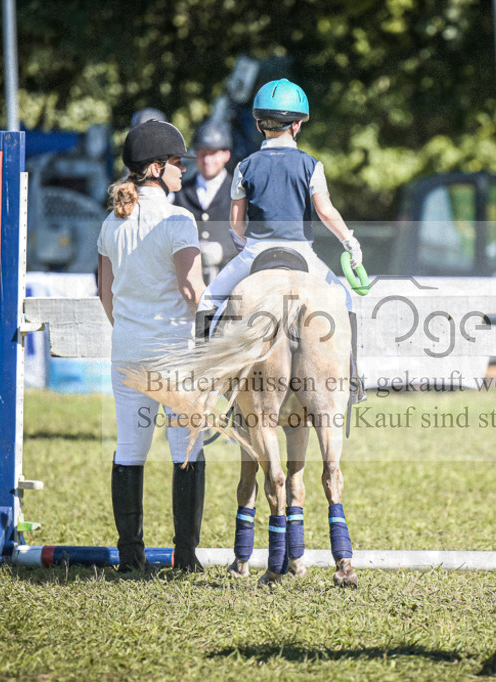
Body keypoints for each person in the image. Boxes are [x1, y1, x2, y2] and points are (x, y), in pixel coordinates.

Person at [196, 78, 365, 401]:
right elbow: (326, 211)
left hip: (256, 252)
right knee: (344, 300)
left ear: (259, 125)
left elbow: (236, 223)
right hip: (303, 255)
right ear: (297, 125)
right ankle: (352, 380)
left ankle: (203, 383)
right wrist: (350, 242)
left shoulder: (244, 167)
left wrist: (245, 249)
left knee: (208, 301)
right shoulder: (311, 166)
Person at [97, 119, 208, 572]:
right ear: (157, 167)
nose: (184, 170)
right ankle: (184, 558)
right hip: (173, 354)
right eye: (178, 163)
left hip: (127, 350)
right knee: (186, 449)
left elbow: (106, 295)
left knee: (129, 451)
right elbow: (192, 291)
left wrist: (129, 329)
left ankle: (130, 557)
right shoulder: (179, 220)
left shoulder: (111, 222)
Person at [173, 121, 240, 281]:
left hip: (229, 279)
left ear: (226, 154)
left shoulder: (238, 190)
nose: (207, 159)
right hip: (189, 280)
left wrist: (223, 250)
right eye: (202, 153)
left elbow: (248, 234)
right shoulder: (180, 192)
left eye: (213, 153)